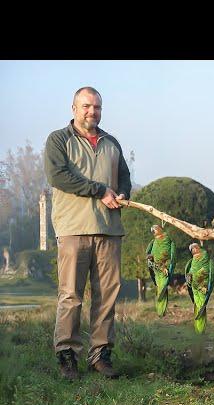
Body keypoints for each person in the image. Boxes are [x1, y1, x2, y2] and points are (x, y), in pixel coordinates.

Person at [44, 86, 131, 380]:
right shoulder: (59, 140)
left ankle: (101, 356)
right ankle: (67, 356)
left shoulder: (112, 143)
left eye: (96, 107)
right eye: (86, 106)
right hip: (73, 230)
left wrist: (121, 193)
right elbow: (60, 177)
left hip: (109, 230)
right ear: (73, 108)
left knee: (107, 296)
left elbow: (124, 179)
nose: (91, 112)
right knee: (71, 296)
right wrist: (99, 190)